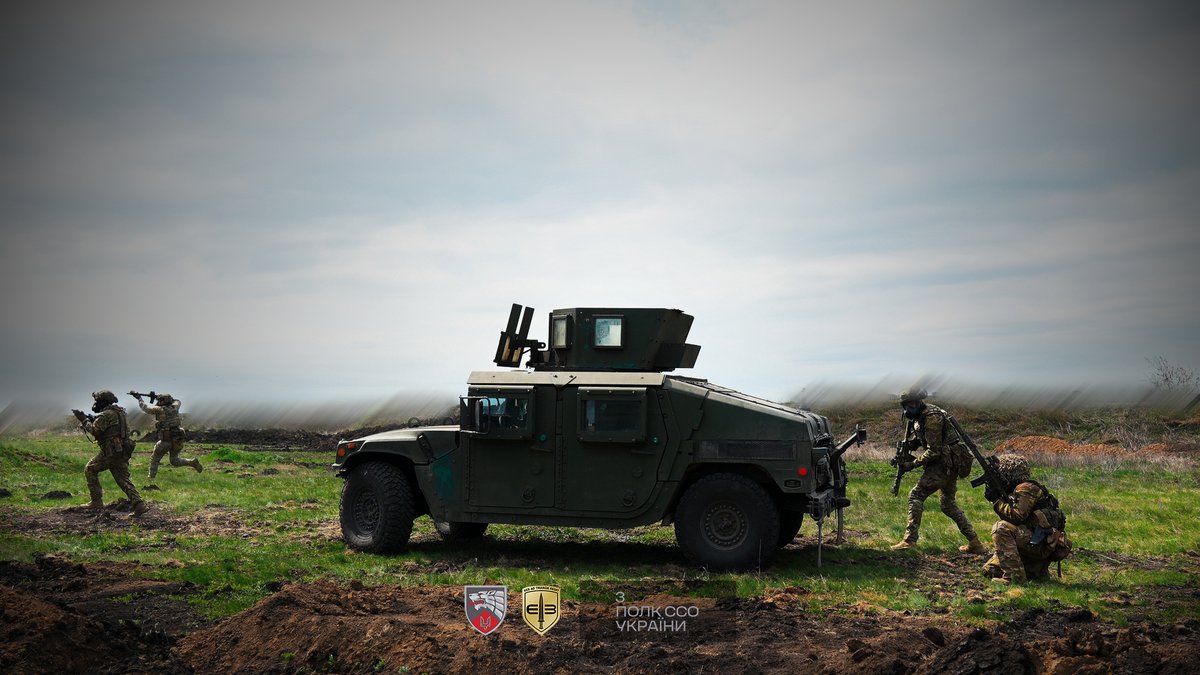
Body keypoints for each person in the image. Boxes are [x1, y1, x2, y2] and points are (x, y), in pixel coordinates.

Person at [890, 388, 987, 554]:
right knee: (948, 505)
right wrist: (912, 445)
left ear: (920, 402)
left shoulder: (932, 416)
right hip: (947, 462)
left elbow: (934, 450)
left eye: (912, 404)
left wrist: (912, 464)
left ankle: (909, 540)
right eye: (906, 405)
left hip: (944, 463)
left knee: (916, 495)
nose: (909, 408)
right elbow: (927, 439)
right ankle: (975, 542)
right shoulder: (918, 417)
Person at [982, 454, 1069, 583]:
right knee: (990, 570)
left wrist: (996, 501)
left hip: (1040, 542)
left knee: (1001, 528)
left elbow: (1016, 516)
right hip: (1036, 540)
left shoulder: (1026, 488)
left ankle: (1014, 578)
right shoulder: (1017, 490)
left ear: (1008, 473)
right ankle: (1036, 572)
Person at [79, 390, 148, 516]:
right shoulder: (120, 413)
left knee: (90, 469)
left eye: (97, 401)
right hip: (122, 451)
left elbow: (95, 431)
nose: (95, 404)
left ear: (103, 402)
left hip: (111, 452)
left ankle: (96, 501)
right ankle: (139, 505)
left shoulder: (105, 415)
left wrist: (84, 421)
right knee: (123, 480)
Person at [135, 392, 202, 478]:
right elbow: (178, 400)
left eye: (160, 400)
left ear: (163, 401)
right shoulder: (175, 407)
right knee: (174, 460)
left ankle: (151, 478)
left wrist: (139, 399)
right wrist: (159, 398)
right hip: (177, 439)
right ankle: (192, 462)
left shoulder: (160, 409)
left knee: (155, 459)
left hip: (166, 440)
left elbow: (146, 408)